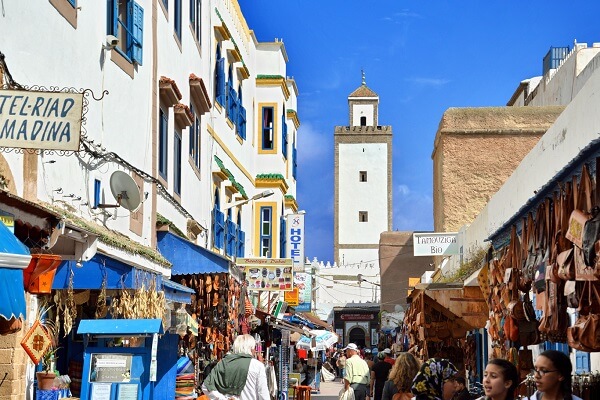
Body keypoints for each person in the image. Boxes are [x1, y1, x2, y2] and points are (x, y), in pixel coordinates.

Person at [202, 334, 269, 400]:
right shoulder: (257, 366)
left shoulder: (224, 363)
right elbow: (263, 394)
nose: (254, 351)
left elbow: (206, 386)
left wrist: (222, 398)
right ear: (251, 348)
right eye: (254, 348)